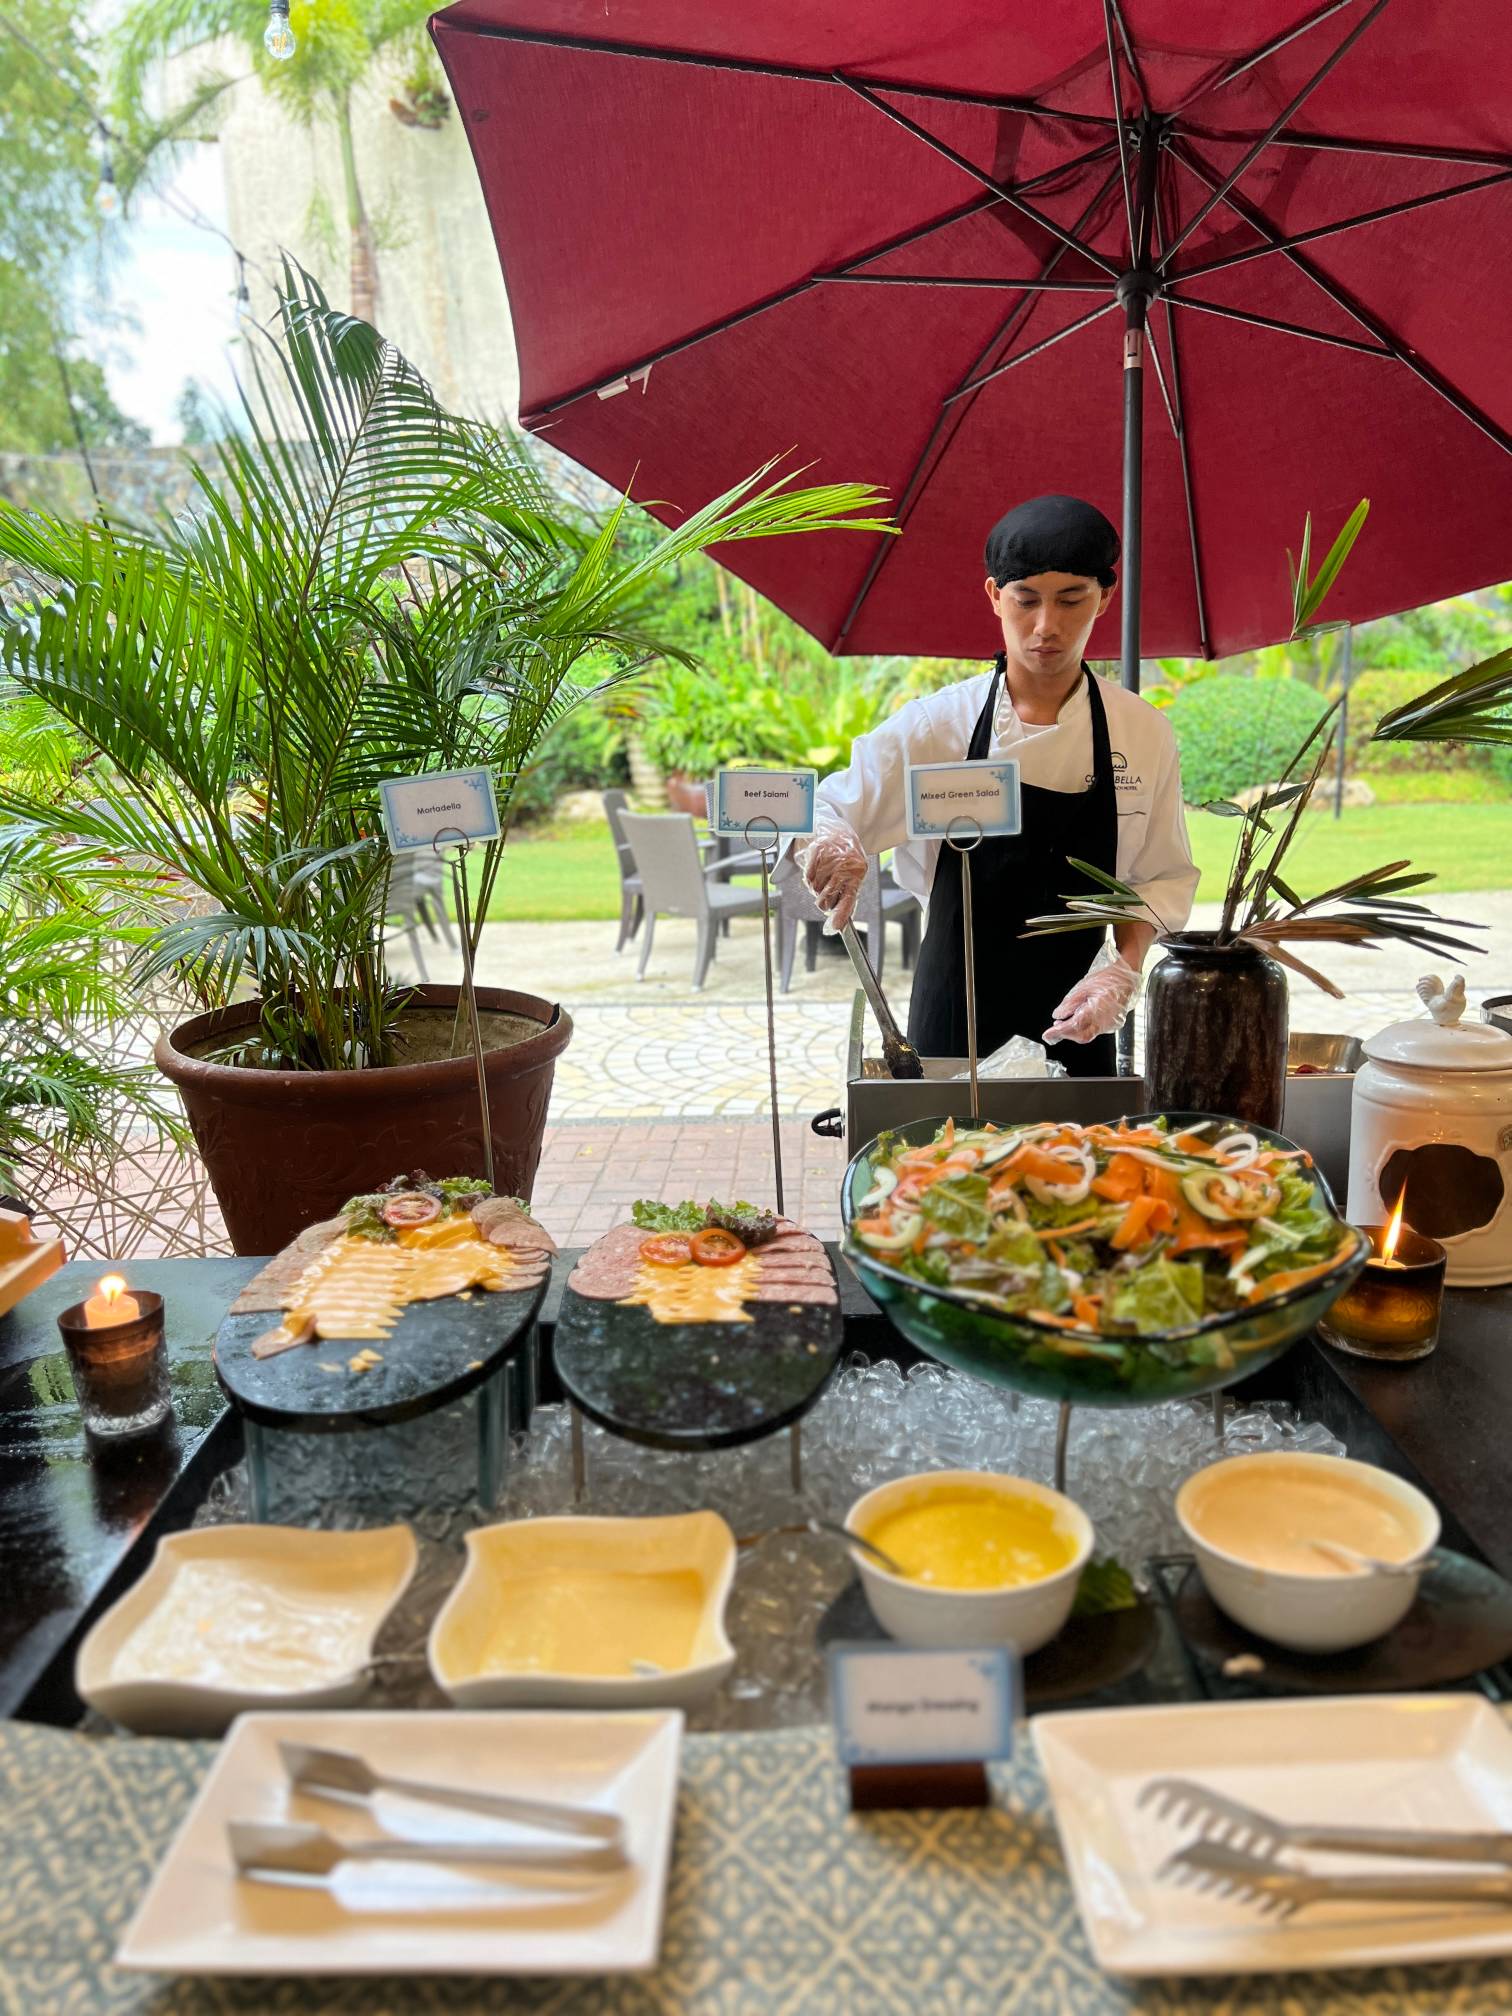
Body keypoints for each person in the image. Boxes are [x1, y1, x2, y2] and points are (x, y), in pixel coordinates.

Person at [797, 494, 1199, 1076]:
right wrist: (832, 841)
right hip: (952, 1018)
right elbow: (824, 808)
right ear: (993, 596)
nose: (1046, 626)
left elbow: (1157, 879)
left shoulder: (1142, 732)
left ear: (1105, 597)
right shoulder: (938, 726)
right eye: (1026, 600)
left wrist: (1122, 970)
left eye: (1071, 599)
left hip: (1078, 1019)